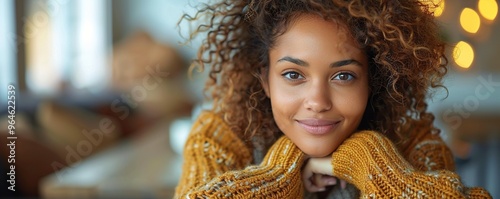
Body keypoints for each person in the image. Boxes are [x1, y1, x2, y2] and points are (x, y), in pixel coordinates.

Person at [174, 0, 492, 198]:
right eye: (293, 75)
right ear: (265, 80)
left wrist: (362, 154)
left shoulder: (412, 137)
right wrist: (286, 165)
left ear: (373, 81)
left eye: (343, 76)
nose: (318, 101)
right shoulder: (221, 133)